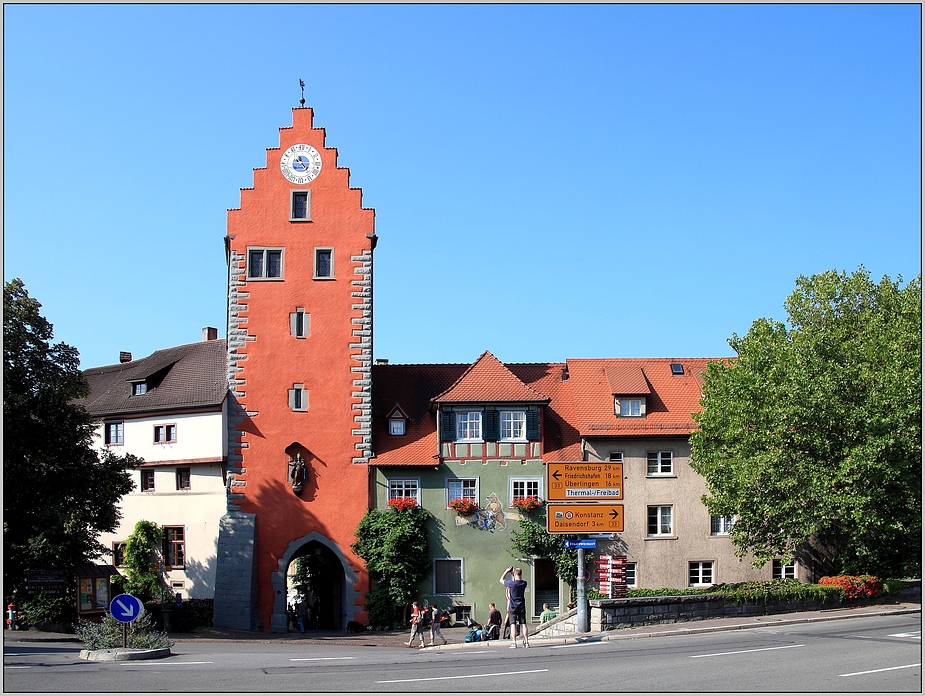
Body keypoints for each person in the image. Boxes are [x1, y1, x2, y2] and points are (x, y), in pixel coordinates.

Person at [500, 565, 530, 648]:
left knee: (512, 624)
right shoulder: (524, 583)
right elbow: (517, 576)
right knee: (523, 624)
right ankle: (526, 642)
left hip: (512, 606)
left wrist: (507, 571)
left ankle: (514, 642)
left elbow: (501, 580)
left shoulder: (511, 583)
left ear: (514, 574)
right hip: (521, 606)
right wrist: (514, 573)